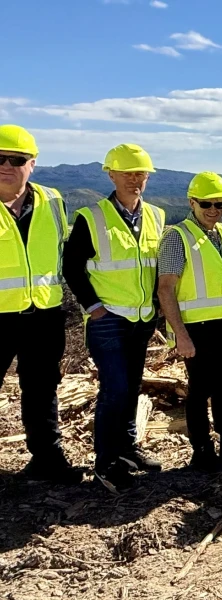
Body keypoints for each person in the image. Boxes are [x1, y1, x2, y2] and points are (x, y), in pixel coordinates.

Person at [64, 143, 165, 493]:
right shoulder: (91, 217)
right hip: (108, 319)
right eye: (127, 173)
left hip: (142, 318)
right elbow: (71, 267)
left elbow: (154, 267)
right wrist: (94, 307)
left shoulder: (156, 216)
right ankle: (105, 462)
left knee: (132, 387)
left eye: (140, 174)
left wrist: (156, 306)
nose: (135, 180)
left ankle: (127, 449)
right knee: (115, 388)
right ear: (111, 175)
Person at [156, 172, 222, 472]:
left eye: (220, 204)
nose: (214, 210)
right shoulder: (177, 237)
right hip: (195, 329)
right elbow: (165, 289)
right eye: (206, 204)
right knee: (200, 390)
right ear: (192, 202)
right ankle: (201, 450)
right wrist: (180, 335)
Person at [0, 125, 81, 484]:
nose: (7, 166)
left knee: (41, 389)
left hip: (43, 315)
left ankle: (48, 460)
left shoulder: (53, 201)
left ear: (32, 164)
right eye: (0, 158)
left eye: (16, 159)